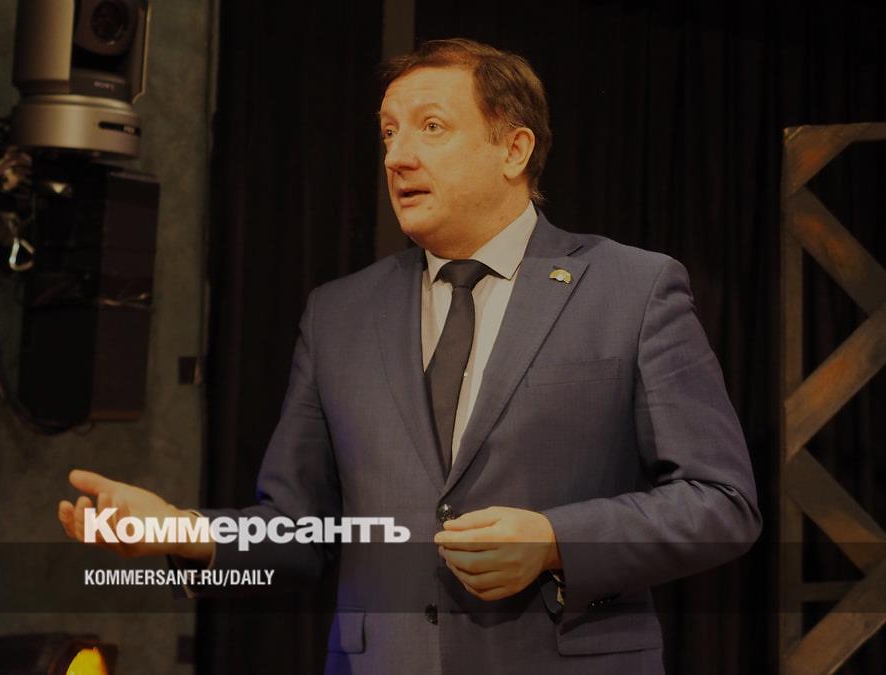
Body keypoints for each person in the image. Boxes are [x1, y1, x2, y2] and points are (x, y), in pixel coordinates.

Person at [58, 38, 760, 674]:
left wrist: (555, 541)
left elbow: (721, 503)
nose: (397, 157)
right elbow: (301, 533)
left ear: (514, 150)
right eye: (389, 132)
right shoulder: (338, 314)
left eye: (431, 127)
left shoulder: (631, 289)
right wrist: (186, 533)